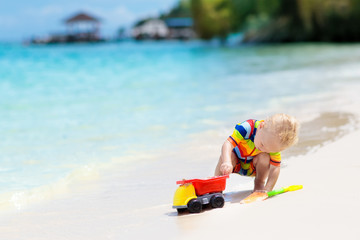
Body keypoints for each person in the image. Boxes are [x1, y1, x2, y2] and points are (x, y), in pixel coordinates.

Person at [214, 113, 299, 192]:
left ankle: (259, 184)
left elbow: (275, 168)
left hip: (254, 168)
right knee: (227, 155)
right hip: (235, 163)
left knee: (265, 157)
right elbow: (228, 144)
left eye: (269, 150)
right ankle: (216, 185)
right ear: (261, 126)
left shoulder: (273, 145)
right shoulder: (247, 127)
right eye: (262, 144)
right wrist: (227, 162)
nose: (263, 149)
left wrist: (268, 189)